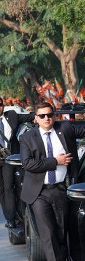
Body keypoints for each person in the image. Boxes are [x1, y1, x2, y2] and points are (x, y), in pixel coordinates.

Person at [20, 103, 85, 261]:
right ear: (35, 118)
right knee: (49, 235)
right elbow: (28, 164)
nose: (46, 119)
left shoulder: (64, 129)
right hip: (39, 193)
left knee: (62, 234)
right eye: (42, 115)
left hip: (61, 190)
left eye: (50, 115)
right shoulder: (28, 137)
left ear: (54, 116)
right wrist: (55, 161)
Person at [0, 98, 35, 230]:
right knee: (2, 190)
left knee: (9, 187)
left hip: (9, 158)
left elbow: (29, 117)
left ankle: (11, 219)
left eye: (0, 105)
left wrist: (39, 116)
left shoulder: (12, 116)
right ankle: (9, 215)